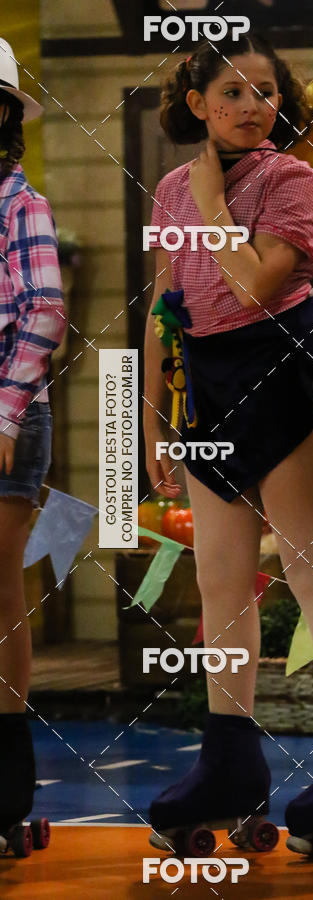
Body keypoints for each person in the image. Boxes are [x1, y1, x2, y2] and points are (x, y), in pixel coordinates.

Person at [143, 33, 313, 857]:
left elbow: (255, 284)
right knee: (220, 584)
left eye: (264, 92)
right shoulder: (170, 191)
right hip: (205, 390)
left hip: (283, 375)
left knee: (310, 568)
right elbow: (164, 306)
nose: (251, 106)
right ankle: (230, 763)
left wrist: (214, 203)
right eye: (232, 92)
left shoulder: (293, 178)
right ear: (198, 104)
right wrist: (151, 420)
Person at [0, 38, 66, 849]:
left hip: (8, 413)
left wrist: (7, 414)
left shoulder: (22, 203)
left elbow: (44, 311)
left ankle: (7, 788)